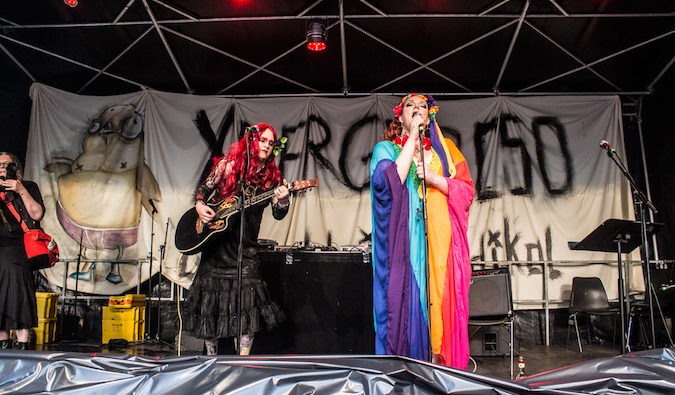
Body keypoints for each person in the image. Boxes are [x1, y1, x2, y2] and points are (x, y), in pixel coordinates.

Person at [370, 94, 475, 369]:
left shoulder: (447, 150)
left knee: (443, 307)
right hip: (406, 250)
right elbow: (387, 184)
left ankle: (445, 373)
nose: (417, 109)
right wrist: (413, 140)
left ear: (430, 114)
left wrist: (436, 178)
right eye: (410, 106)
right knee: (408, 308)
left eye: (423, 106)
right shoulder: (386, 149)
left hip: (443, 249)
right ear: (400, 116)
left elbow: (466, 191)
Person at [183, 124, 290, 356]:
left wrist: (283, 201)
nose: (266, 146)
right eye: (263, 140)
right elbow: (204, 188)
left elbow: (279, 214)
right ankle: (210, 360)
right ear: (251, 141)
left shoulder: (272, 178)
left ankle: (241, 363)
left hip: (246, 251)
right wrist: (200, 205)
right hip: (216, 249)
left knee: (246, 311)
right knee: (210, 308)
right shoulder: (228, 165)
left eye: (271, 143)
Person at [0, 152, 45, 350]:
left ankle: (23, 343)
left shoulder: (28, 186)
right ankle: (3, 341)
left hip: (19, 247)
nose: (2, 167)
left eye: (6, 164)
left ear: (15, 167)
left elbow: (36, 213)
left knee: (20, 291)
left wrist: (19, 189)